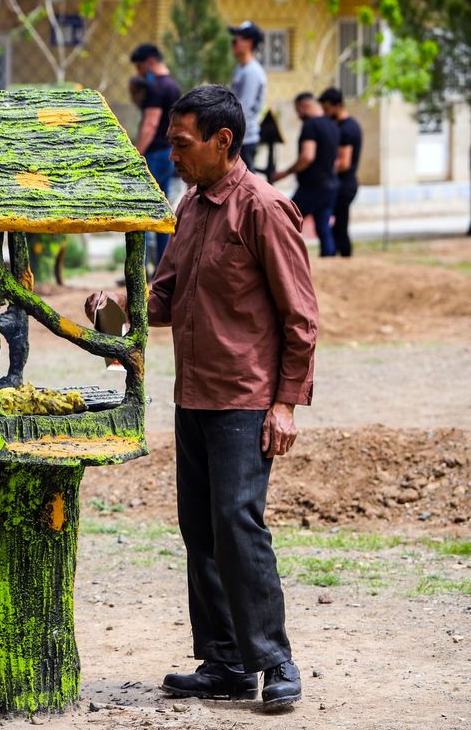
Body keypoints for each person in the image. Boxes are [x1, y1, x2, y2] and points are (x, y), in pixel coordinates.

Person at [85, 85, 318, 712]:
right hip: (194, 396)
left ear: (222, 141)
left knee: (239, 526)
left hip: (245, 398)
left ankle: (274, 661)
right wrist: (116, 311)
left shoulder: (264, 209)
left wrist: (287, 402)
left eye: (182, 145)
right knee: (201, 530)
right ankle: (224, 662)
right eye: (171, 145)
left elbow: (300, 316)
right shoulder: (187, 209)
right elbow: (163, 298)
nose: (174, 156)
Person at [129, 43, 182, 266]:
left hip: (155, 155)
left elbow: (150, 124)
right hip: (168, 152)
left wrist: (135, 156)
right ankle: (161, 266)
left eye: (140, 67)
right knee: (162, 209)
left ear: (150, 62)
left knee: (142, 211)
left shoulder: (156, 88)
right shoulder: (173, 86)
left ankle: (140, 268)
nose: (139, 73)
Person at [270, 93, 341, 257]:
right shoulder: (332, 126)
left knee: (285, 220)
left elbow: (307, 156)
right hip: (331, 185)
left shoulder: (310, 125)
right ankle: (329, 262)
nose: (298, 115)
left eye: (297, 111)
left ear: (304, 106)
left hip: (312, 186)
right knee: (323, 227)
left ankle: (282, 258)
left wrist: (284, 173)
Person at [318, 87, 362, 257]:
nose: (325, 112)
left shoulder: (347, 129)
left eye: (327, 108)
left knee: (339, 227)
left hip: (344, 185)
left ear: (337, 106)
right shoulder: (340, 125)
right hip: (341, 184)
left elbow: (344, 163)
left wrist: (322, 167)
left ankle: (344, 258)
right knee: (336, 226)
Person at [228, 21, 267, 171]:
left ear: (248, 43)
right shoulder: (241, 68)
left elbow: (242, 110)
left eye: (235, 41)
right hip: (238, 138)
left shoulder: (252, 72)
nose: (233, 45)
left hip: (244, 139)